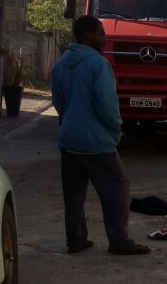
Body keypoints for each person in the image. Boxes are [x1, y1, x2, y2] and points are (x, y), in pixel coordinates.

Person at [51, 15, 150, 255]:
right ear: (87, 35)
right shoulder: (98, 64)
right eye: (101, 33)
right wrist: (116, 128)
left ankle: (75, 240)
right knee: (117, 189)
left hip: (69, 139)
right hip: (96, 142)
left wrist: (71, 124)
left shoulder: (61, 64)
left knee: (73, 195)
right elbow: (106, 105)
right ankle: (119, 241)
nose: (104, 39)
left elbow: (58, 101)